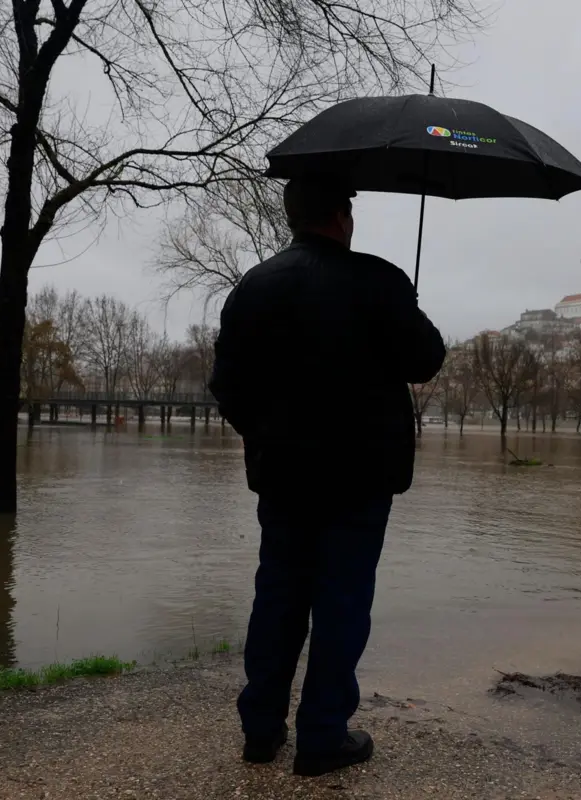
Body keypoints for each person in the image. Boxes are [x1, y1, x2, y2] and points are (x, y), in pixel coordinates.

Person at [209, 176, 446, 777]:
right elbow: (425, 361)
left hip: (282, 475)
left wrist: (265, 435)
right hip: (360, 477)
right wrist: (407, 307)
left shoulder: (254, 286)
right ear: (342, 217)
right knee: (342, 602)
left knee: (277, 597)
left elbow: (227, 385)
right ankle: (321, 737)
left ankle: (261, 731)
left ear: (293, 217)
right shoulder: (380, 281)